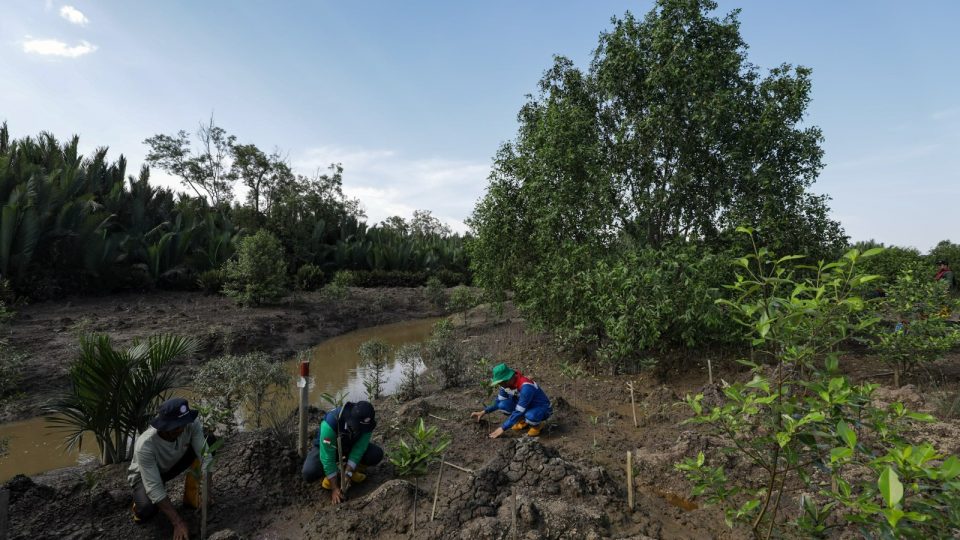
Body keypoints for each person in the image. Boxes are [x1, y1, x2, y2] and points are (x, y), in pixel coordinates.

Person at [128, 398, 216, 540]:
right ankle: (137, 505)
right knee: (147, 510)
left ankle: (192, 497)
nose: (181, 429)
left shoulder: (190, 425)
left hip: (172, 464)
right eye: (175, 427)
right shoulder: (145, 445)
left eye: (183, 424)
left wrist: (207, 492)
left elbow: (206, 457)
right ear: (163, 425)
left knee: (209, 441)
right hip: (145, 475)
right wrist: (178, 522)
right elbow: (154, 487)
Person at [301, 400, 383, 504]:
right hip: (328, 448)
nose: (362, 431)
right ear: (351, 421)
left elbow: (359, 449)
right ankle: (330, 476)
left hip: (349, 447)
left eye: (364, 428)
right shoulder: (331, 423)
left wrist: (348, 473)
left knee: (375, 454)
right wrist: (335, 488)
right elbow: (327, 457)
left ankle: (352, 471)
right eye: (359, 428)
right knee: (309, 472)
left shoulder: (368, 426)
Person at [470, 363, 553, 438]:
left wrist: (502, 428)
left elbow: (519, 411)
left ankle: (537, 426)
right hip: (524, 406)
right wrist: (484, 412)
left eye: (501, 382)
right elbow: (498, 401)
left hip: (541, 408)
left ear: (508, 378)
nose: (500, 385)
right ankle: (524, 421)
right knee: (503, 405)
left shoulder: (526, 387)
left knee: (531, 416)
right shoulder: (505, 385)